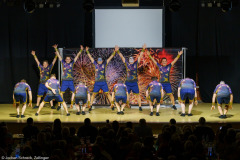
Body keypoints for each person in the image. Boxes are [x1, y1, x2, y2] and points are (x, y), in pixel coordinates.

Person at [86, 46, 116, 110]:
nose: (99, 61)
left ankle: (112, 105)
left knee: (107, 93)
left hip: (103, 82)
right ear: (97, 60)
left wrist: (114, 53)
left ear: (102, 61)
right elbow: (91, 58)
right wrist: (87, 51)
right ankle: (90, 105)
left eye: (100, 60)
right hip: (97, 82)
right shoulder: (95, 64)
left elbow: (109, 58)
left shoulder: (104, 64)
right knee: (94, 94)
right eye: (98, 60)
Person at [54, 44, 83, 109]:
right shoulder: (63, 63)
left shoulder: (72, 63)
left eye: (68, 59)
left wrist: (81, 50)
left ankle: (72, 104)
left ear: (70, 60)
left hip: (70, 81)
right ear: (65, 60)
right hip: (64, 81)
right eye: (66, 59)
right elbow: (59, 56)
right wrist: (56, 49)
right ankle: (59, 105)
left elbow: (76, 57)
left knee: (74, 92)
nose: (67, 60)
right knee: (61, 93)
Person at [117, 44, 146, 111]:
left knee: (137, 95)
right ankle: (125, 106)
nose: (131, 59)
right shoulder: (127, 64)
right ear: (129, 60)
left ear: (133, 60)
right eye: (130, 59)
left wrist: (143, 49)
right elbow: (122, 57)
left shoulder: (136, 64)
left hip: (134, 83)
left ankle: (140, 106)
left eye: (132, 59)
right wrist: (118, 51)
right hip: (128, 83)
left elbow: (140, 56)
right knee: (127, 95)